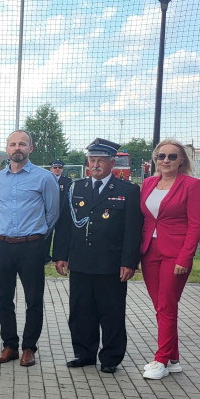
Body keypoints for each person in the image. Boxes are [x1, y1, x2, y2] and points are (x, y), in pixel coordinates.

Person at [53, 138, 142, 373]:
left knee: (111, 312)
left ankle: (111, 358)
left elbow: (133, 231)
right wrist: (60, 255)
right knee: (81, 311)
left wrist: (129, 262)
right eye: (92, 160)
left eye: (101, 160)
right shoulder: (76, 188)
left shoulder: (128, 191)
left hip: (110, 264)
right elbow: (64, 224)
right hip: (80, 261)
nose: (95, 164)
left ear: (112, 162)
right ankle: (84, 353)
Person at [0, 130, 59, 367]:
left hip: (32, 247)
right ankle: (9, 345)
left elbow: (52, 213)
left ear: (30, 148)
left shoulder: (45, 177)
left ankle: (29, 348)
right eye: (12, 144)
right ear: (7, 149)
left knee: (33, 300)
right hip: (3, 246)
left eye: (22, 144)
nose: (16, 148)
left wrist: (36, 235)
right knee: (3, 299)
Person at [138, 139, 200, 380]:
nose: (165, 160)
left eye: (172, 157)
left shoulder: (192, 185)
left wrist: (185, 258)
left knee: (166, 305)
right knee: (161, 307)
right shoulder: (148, 183)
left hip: (175, 253)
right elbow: (145, 219)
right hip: (149, 251)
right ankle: (174, 359)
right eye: (161, 156)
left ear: (182, 161)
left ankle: (161, 359)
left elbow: (196, 225)